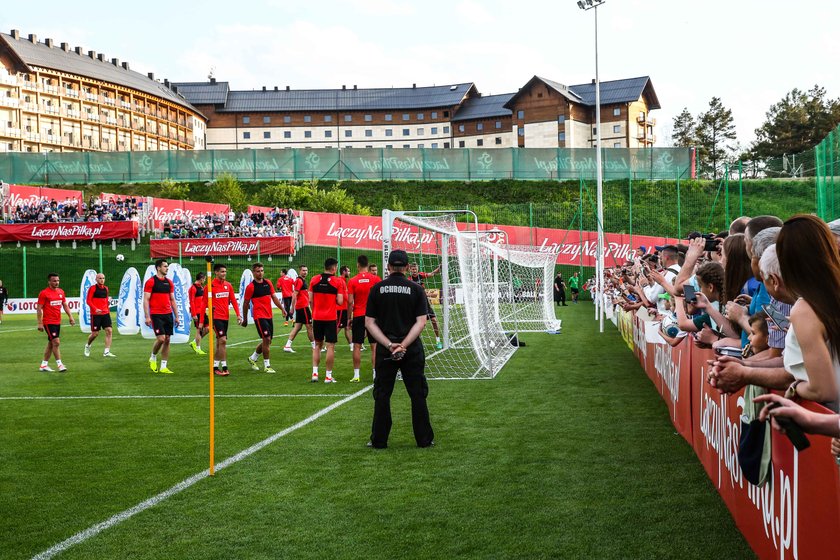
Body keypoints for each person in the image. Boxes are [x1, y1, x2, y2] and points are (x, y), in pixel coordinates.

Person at [365, 249, 435, 449]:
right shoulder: (416, 289)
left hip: (386, 350)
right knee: (418, 394)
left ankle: (379, 440)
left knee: (382, 394)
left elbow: (369, 323)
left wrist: (389, 345)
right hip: (411, 349)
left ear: (388, 267)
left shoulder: (377, 289)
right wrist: (404, 345)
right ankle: (424, 439)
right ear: (406, 267)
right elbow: (421, 322)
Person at [242, 262, 284, 373]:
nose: (260, 273)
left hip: (269, 315)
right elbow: (246, 304)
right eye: (258, 271)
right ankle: (267, 366)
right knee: (266, 339)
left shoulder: (268, 283)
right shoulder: (251, 287)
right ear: (253, 272)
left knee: (268, 341)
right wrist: (245, 319)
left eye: (261, 270)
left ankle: (253, 358)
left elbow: (274, 298)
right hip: (259, 316)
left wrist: (282, 309)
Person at [309, 258, 345, 383]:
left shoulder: (314, 279)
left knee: (317, 345)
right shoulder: (337, 281)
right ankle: (328, 376)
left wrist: (315, 310)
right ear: (334, 268)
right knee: (330, 346)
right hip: (330, 318)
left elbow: (310, 300)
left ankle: (315, 373)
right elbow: (340, 301)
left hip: (317, 317)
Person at [347, 255, 381, 382]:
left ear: (358, 265)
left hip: (358, 315)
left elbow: (350, 302)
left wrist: (348, 318)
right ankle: (375, 373)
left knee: (357, 345)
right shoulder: (376, 279)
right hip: (373, 316)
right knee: (374, 345)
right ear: (368, 265)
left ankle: (356, 375)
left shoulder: (352, 281)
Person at [143, 259, 180, 374]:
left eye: (167, 266)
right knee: (161, 339)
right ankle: (153, 356)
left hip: (168, 314)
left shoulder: (169, 282)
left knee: (168, 339)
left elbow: (173, 300)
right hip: (156, 314)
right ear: (158, 268)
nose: (167, 268)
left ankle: (164, 366)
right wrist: (147, 316)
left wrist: (177, 316)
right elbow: (146, 300)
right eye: (165, 266)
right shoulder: (151, 282)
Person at [36, 273, 75, 372]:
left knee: (51, 343)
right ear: (49, 282)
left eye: (58, 280)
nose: (56, 282)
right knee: (56, 342)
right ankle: (60, 364)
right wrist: (40, 323)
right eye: (54, 281)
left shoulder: (61, 292)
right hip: (48, 322)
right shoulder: (44, 293)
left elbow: (65, 305)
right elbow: (39, 308)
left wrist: (70, 316)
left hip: (58, 321)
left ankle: (44, 365)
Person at [209, 263, 242, 376]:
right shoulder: (210, 286)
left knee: (219, 342)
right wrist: (202, 322)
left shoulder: (228, 285)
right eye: (222, 271)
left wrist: (238, 315)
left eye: (225, 272)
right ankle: (224, 367)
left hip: (225, 318)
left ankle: (214, 367)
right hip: (215, 318)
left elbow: (233, 300)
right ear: (216, 272)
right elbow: (204, 303)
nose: (224, 274)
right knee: (223, 341)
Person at [408, 262, 443, 350]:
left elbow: (432, 274)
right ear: (410, 270)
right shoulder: (409, 280)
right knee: (419, 324)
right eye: (413, 269)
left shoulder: (421, 275)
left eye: (415, 269)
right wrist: (429, 295)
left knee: (434, 320)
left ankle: (438, 340)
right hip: (415, 304)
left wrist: (440, 267)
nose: (414, 271)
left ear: (417, 269)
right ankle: (414, 341)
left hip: (425, 303)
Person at [84, 272, 116, 358]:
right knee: (95, 334)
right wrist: (95, 309)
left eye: (103, 278)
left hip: (105, 313)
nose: (102, 280)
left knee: (109, 331)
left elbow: (105, 301)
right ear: (96, 279)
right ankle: (88, 345)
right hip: (95, 314)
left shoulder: (106, 288)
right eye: (100, 278)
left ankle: (106, 351)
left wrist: (107, 308)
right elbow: (88, 301)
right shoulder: (92, 288)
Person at [283, 265, 314, 353]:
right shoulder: (299, 281)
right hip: (303, 307)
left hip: (302, 306)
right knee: (309, 326)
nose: (305, 272)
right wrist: (292, 308)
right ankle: (315, 346)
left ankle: (287, 345)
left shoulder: (301, 280)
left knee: (298, 327)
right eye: (303, 270)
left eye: (306, 270)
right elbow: (294, 295)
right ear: (300, 271)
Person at [189, 272, 208, 356]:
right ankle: (198, 348)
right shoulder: (193, 288)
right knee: (199, 329)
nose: (205, 280)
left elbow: (202, 300)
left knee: (208, 328)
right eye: (204, 279)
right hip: (197, 312)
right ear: (201, 278)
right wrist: (194, 314)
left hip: (202, 312)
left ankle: (194, 342)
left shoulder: (201, 287)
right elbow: (191, 301)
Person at [337, 265, 353, 348]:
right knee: (338, 327)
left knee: (347, 327)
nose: (349, 273)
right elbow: (344, 295)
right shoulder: (340, 281)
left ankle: (351, 346)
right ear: (344, 272)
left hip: (344, 308)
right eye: (348, 271)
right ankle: (327, 344)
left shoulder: (343, 280)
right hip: (341, 308)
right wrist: (351, 303)